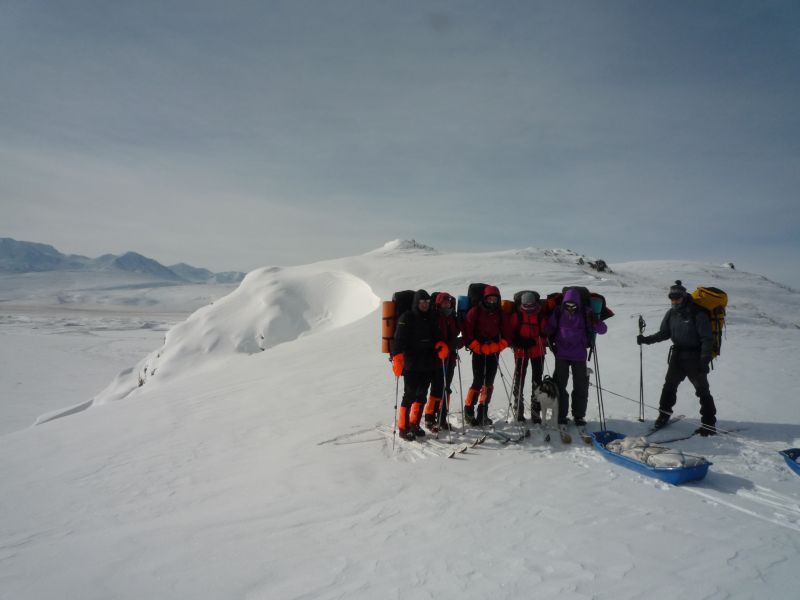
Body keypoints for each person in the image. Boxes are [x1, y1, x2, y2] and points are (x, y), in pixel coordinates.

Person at [637, 280, 717, 436]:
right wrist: (646, 340)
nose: (674, 301)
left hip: (695, 358)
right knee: (669, 386)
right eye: (672, 298)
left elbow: (707, 339)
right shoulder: (671, 313)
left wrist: (705, 360)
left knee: (702, 391)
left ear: (684, 296)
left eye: (677, 297)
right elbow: (664, 333)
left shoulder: (697, 313)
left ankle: (709, 424)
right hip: (677, 356)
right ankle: (663, 415)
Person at [542, 288, 607, 427]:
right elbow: (549, 328)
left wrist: (595, 321)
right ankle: (561, 415)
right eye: (568, 305)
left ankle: (579, 416)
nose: (570, 308)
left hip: (579, 355)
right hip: (561, 355)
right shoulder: (558, 312)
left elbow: (603, 330)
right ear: (564, 303)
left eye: (573, 305)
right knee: (560, 386)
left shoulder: (586, 313)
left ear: (578, 303)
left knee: (581, 386)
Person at [391, 289, 446, 441]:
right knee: (409, 394)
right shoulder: (407, 317)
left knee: (422, 394)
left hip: (428, 362)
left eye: (427, 302)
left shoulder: (431, 317)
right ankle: (403, 426)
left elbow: (437, 337)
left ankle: (414, 423)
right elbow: (398, 341)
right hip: (412, 362)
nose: (425, 305)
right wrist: (397, 359)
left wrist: (441, 345)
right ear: (416, 303)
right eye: (422, 302)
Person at [462, 285, 511, 426]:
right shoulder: (474, 312)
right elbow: (467, 332)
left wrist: (500, 345)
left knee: (488, 383)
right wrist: (476, 346)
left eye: (495, 299)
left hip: (493, 350)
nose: (492, 301)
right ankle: (469, 410)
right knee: (478, 381)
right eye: (490, 298)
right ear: (484, 298)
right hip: (479, 350)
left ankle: (483, 411)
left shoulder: (501, 314)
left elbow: (507, 333)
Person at [424, 293, 461, 431]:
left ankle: (442, 417)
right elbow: (431, 337)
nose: (447, 305)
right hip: (437, 359)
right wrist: (443, 346)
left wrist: (458, 342)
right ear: (439, 304)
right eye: (444, 303)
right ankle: (429, 417)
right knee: (437, 388)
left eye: (449, 303)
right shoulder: (434, 318)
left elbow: (459, 333)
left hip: (450, 358)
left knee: (447, 388)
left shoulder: (453, 317)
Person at [509, 291, 547, 422]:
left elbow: (545, 333)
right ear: (522, 304)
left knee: (537, 381)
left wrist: (536, 341)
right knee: (519, 380)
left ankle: (535, 410)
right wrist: (519, 342)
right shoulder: (517, 315)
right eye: (527, 305)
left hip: (538, 351)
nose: (530, 308)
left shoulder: (541, 315)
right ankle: (518, 409)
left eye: (532, 305)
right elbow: (510, 334)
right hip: (521, 351)